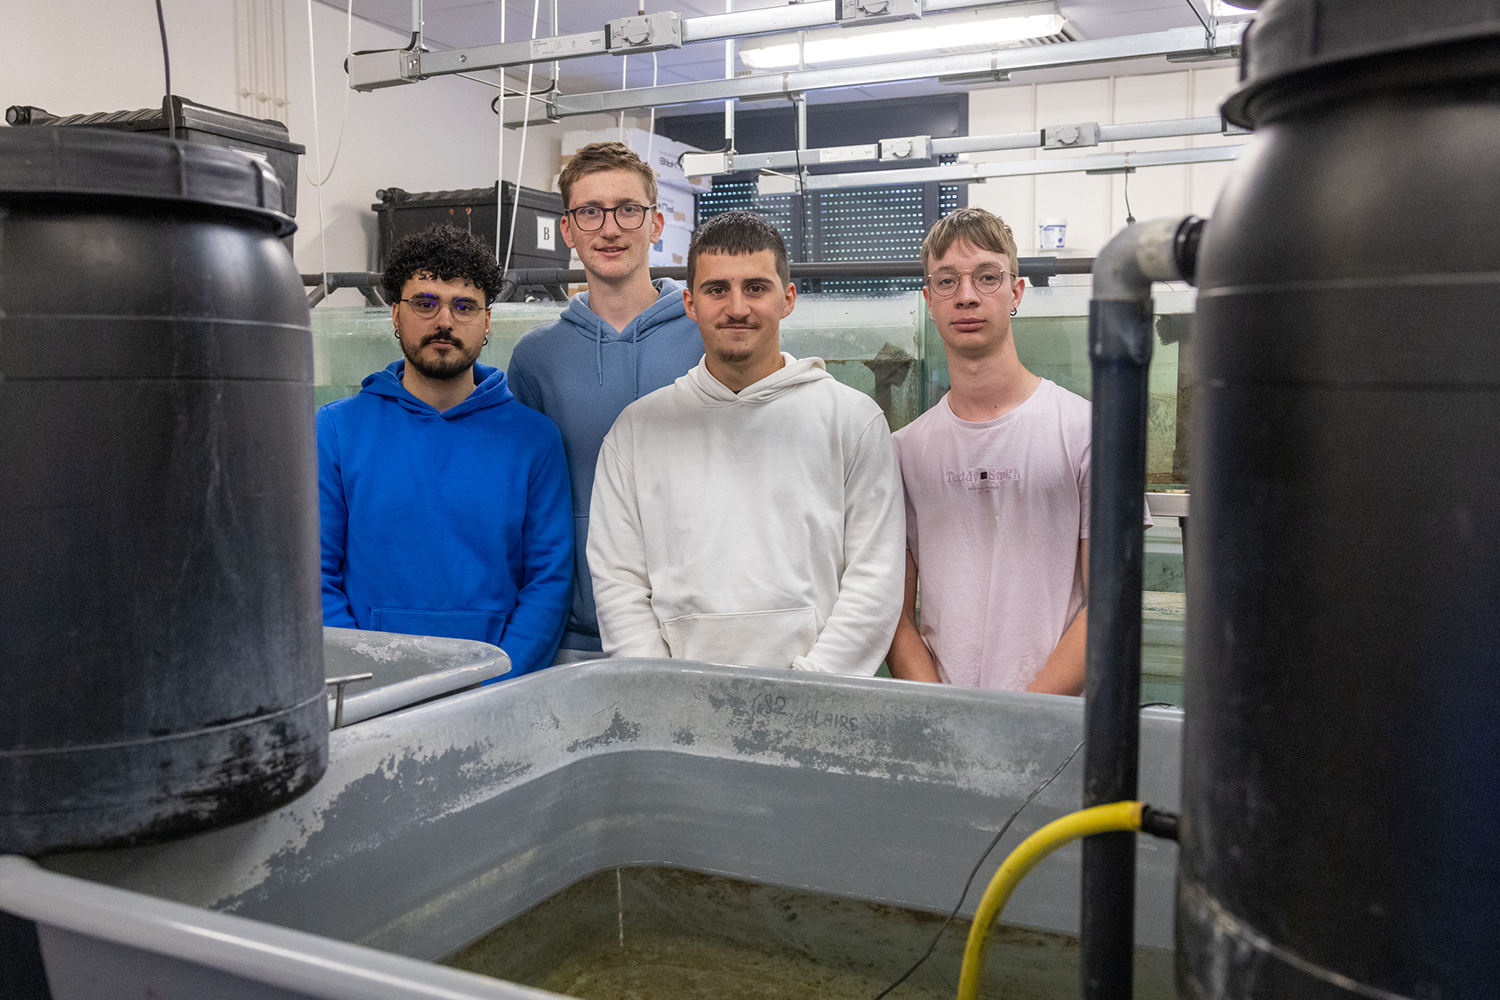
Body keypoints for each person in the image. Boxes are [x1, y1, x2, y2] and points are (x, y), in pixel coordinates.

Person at [587, 210, 904, 675]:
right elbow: (619, 584)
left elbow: (875, 577)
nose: (737, 308)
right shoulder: (636, 431)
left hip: (818, 699)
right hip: (673, 703)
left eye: (756, 288)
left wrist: (812, 688)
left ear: (788, 299)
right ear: (690, 303)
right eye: (717, 289)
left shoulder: (852, 420)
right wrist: (660, 693)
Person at [887, 207, 1147, 693]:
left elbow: (1111, 602)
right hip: (943, 722)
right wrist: (941, 714)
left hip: (1054, 721)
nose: (967, 296)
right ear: (929, 300)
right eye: (947, 281)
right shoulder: (903, 453)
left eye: (987, 277)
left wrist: (1022, 718)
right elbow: (893, 618)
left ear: (1017, 292)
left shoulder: (1089, 431)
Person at [318, 225, 573, 678]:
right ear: (395, 315)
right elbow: (314, 578)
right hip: (368, 692)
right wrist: (365, 680)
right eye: (425, 303)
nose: (444, 321)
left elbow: (548, 583)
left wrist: (496, 683)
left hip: (496, 691)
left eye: (464, 306)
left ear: (487, 322)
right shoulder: (336, 431)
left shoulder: (534, 440)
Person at [507, 142, 705, 662]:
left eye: (628, 209)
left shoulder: (708, 339)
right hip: (577, 637)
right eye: (590, 212)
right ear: (567, 230)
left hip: (700, 628)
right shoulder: (535, 358)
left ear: (656, 224)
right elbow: (526, 507)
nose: (610, 228)